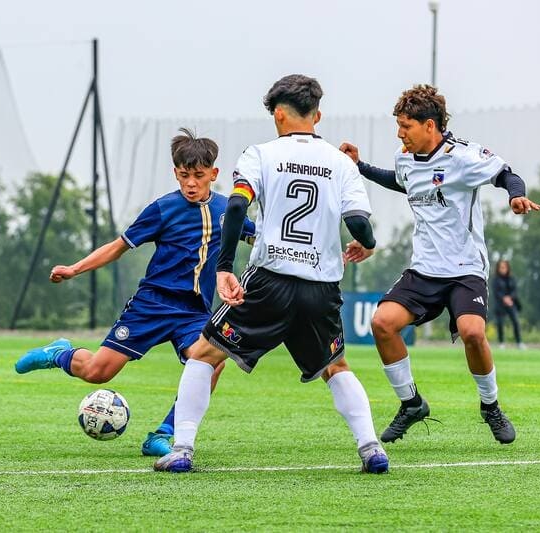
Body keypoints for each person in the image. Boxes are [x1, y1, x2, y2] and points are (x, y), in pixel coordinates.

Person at [155, 74, 388, 474]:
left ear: (278, 114)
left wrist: (224, 268)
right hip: (321, 287)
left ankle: (181, 450)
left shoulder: (260, 154)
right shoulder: (341, 163)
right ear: (317, 115)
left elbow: (236, 207)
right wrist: (366, 244)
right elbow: (359, 224)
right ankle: (371, 449)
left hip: (269, 281)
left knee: (203, 354)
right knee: (336, 367)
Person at [14, 128, 256, 457]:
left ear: (213, 174)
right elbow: (118, 247)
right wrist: (74, 269)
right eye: (184, 175)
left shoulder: (229, 211)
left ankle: (164, 435)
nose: (190, 183)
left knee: (211, 363)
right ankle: (59, 353)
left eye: (198, 176)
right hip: (151, 305)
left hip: (194, 312)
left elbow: (260, 239)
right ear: (175, 173)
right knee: (97, 372)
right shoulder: (162, 209)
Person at [339, 84, 540, 445]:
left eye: (406, 126)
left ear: (429, 125)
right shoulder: (405, 158)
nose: (400, 133)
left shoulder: (463, 156)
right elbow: (402, 182)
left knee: (472, 333)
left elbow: (506, 174)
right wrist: (361, 167)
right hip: (424, 269)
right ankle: (411, 403)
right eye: (399, 126)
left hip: (466, 269)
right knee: (382, 323)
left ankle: (491, 407)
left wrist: (516, 196)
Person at [493, 260, 525, 349]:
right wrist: (504, 298)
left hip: (511, 304)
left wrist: (510, 298)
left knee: (516, 321)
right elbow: (496, 292)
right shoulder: (495, 280)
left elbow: (515, 291)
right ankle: (501, 343)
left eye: (504, 267)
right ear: (498, 269)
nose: (503, 269)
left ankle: (519, 342)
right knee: (500, 323)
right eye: (501, 267)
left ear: (507, 268)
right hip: (500, 304)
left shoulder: (512, 278)